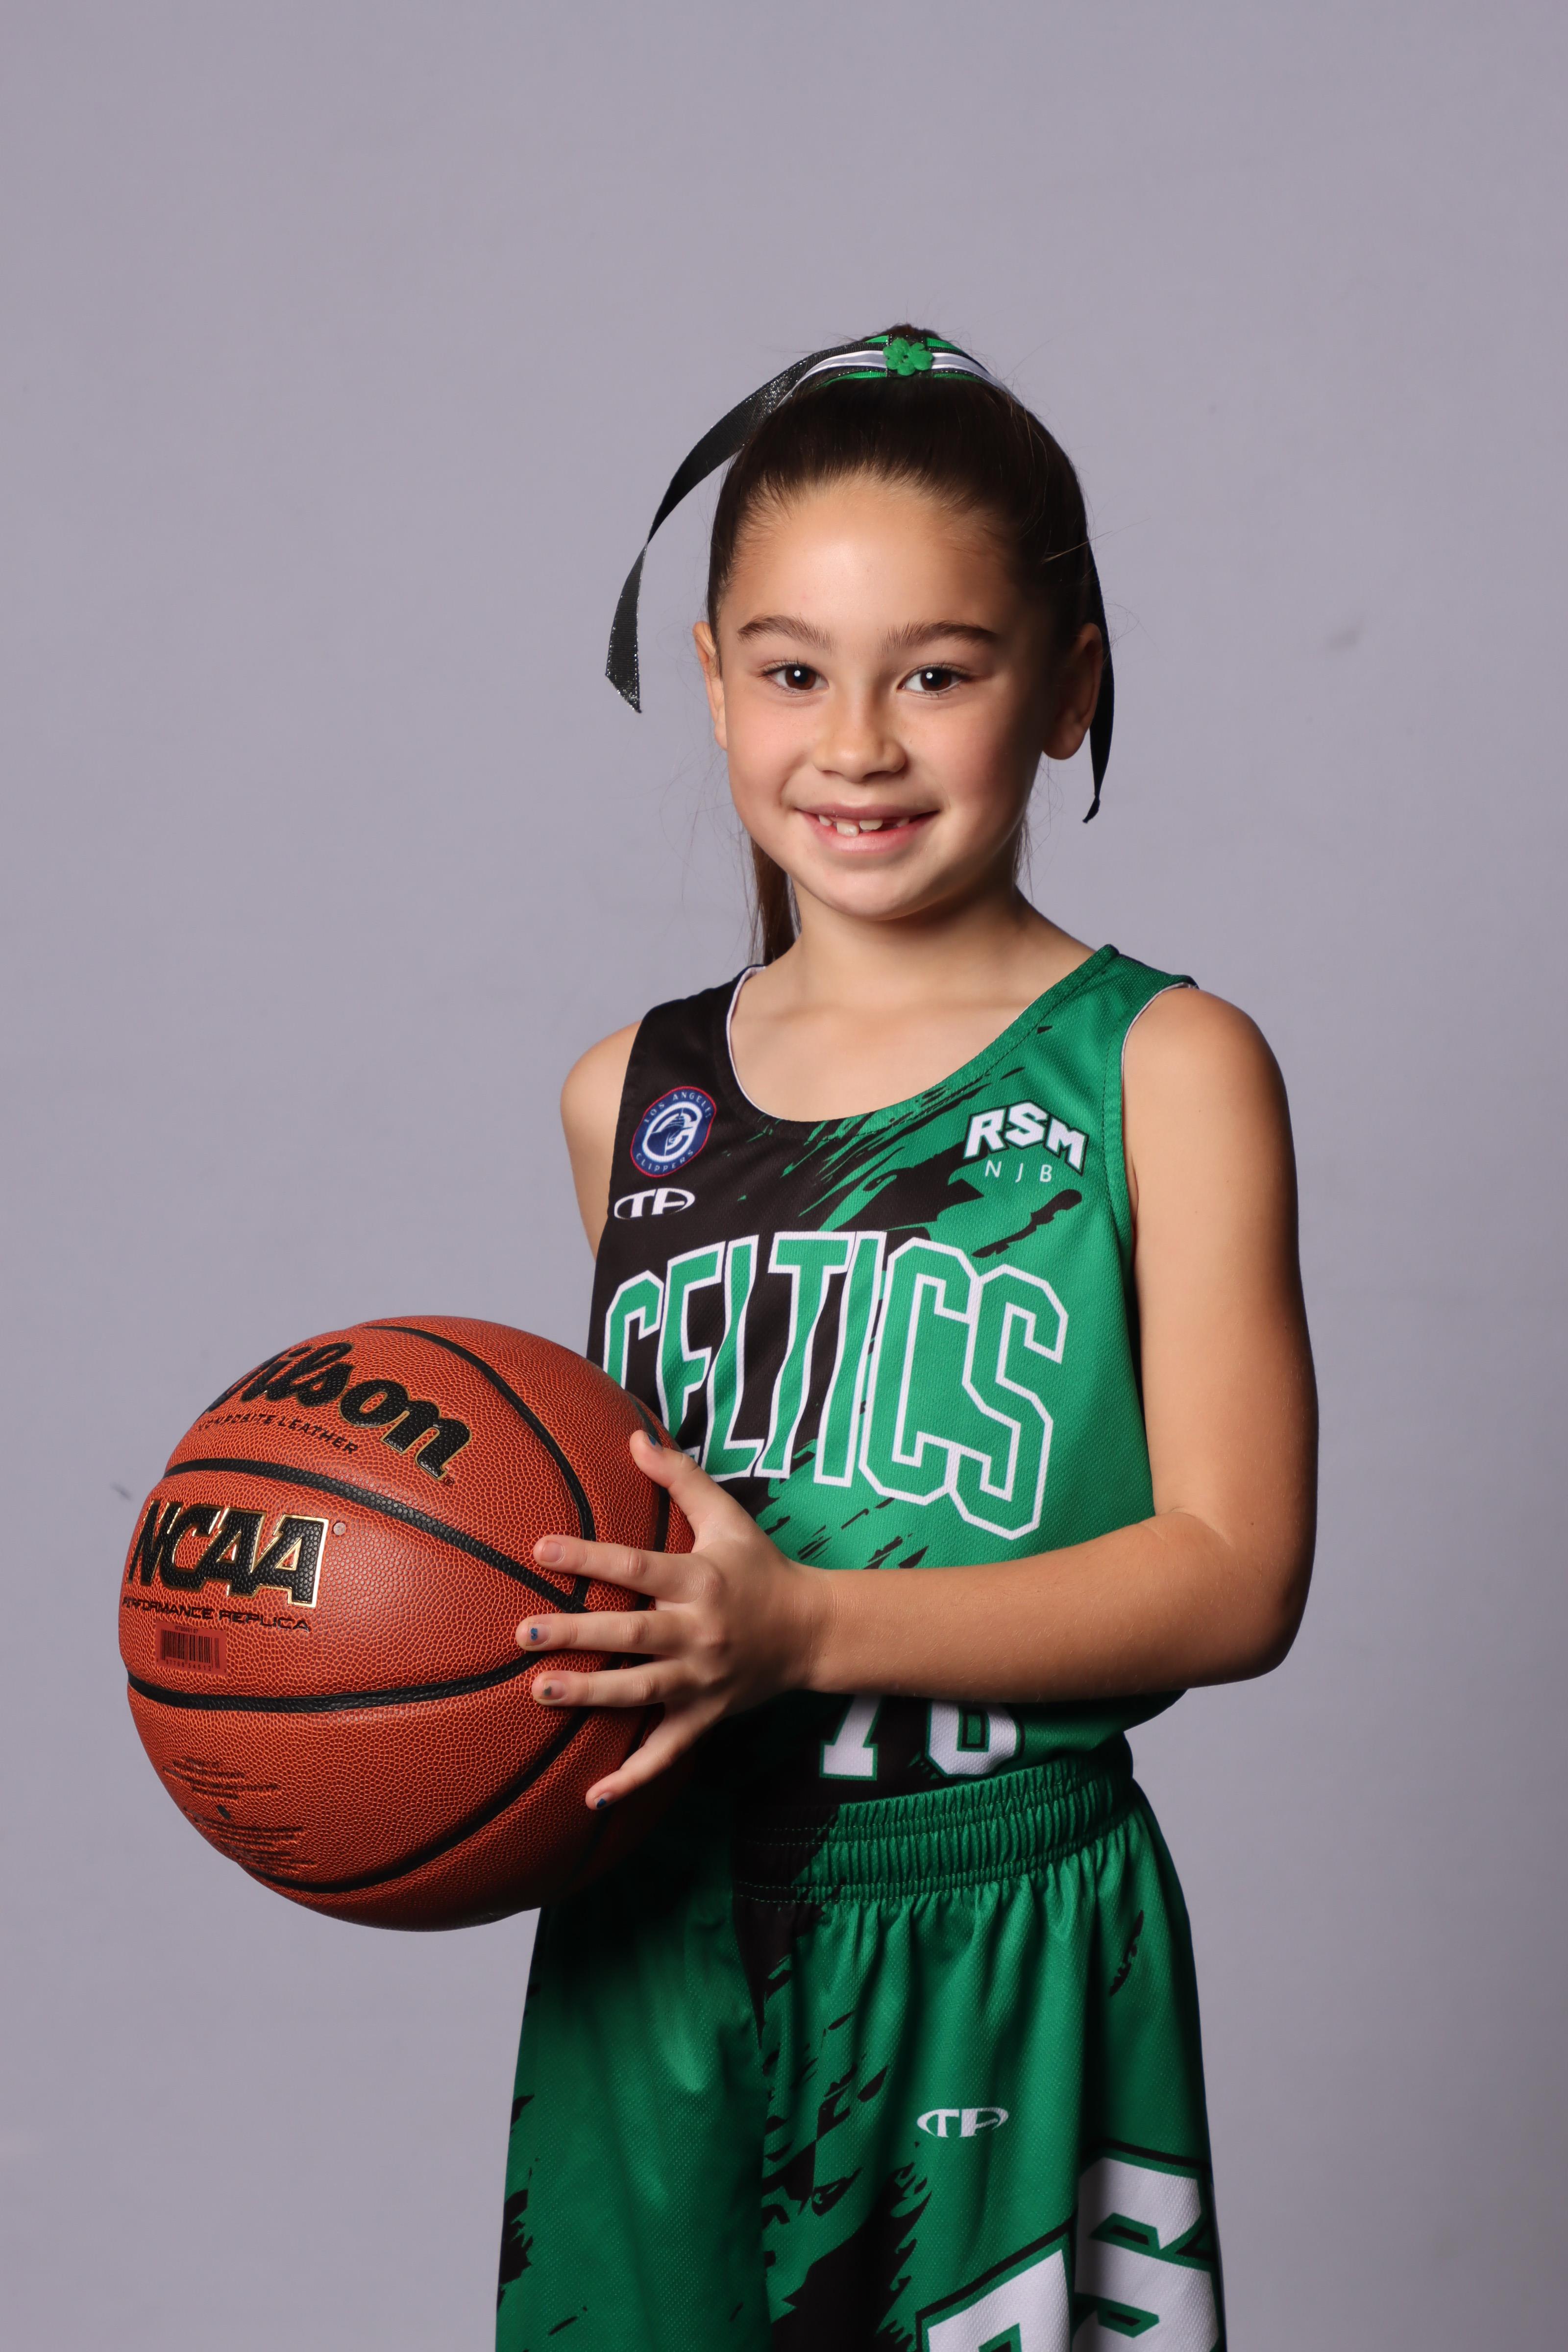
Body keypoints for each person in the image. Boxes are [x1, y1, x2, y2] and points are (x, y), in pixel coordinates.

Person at [495, 327, 1316, 2351]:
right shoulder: (627, 1095)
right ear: (711, 683)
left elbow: (1236, 1577)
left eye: (935, 673)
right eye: (791, 673)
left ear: (1068, 687)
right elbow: (640, 1544)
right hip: (657, 1927)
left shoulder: (1161, 1065)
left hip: (996, 1911)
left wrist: (807, 1631)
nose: (853, 743)